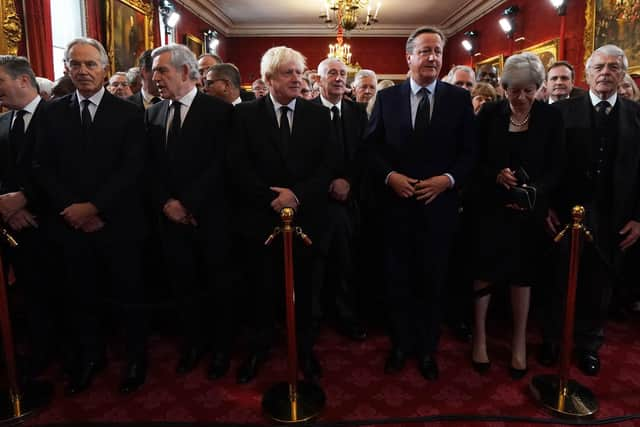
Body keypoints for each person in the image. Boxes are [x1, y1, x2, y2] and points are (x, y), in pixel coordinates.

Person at [33, 37, 148, 395]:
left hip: (117, 223)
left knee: (128, 294)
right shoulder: (51, 112)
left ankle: (135, 358)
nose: (83, 70)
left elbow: (133, 168)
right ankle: (90, 357)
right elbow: (41, 166)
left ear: (104, 67)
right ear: (66, 68)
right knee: (79, 296)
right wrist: (73, 208)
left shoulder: (129, 112)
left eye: (90, 64)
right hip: (69, 224)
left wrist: (95, 207)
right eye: (75, 64)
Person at [366, 26, 475, 381]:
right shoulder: (387, 98)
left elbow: (470, 153)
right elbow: (371, 148)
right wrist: (389, 176)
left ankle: (428, 349)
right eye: (425, 51)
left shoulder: (458, 100)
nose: (432, 58)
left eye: (438, 52)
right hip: (396, 208)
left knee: (433, 280)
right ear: (409, 57)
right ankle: (400, 345)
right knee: (397, 279)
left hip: (439, 208)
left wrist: (448, 180)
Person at [229, 46, 334, 384]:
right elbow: (237, 166)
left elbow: (328, 165)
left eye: (298, 72)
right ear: (269, 78)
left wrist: (297, 195)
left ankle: (304, 349)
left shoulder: (318, 115)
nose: (296, 78)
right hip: (259, 218)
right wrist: (270, 198)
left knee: (305, 290)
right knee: (260, 287)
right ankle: (259, 348)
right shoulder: (244, 115)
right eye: (288, 72)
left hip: (305, 219)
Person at [466, 53, 565, 379]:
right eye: (514, 91)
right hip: (489, 208)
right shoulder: (489, 114)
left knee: (523, 274)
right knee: (484, 269)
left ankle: (519, 341)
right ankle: (479, 337)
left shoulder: (551, 118)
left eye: (529, 90)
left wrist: (533, 190)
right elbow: (472, 159)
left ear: (538, 88)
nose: (521, 97)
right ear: (504, 88)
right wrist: (495, 174)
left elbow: (556, 167)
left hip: (528, 212)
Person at [543, 44, 640, 376]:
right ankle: (553, 340)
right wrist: (546, 207)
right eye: (599, 67)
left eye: (614, 67)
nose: (606, 73)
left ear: (623, 74)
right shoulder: (562, 112)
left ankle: (588, 345)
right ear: (586, 74)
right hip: (566, 213)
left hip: (615, 215)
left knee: (600, 286)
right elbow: (548, 165)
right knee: (559, 279)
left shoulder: (636, 114)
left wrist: (639, 218)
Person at [146, 44, 234, 380]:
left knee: (217, 285)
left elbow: (222, 165)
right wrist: (167, 203)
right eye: (154, 72)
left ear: (185, 72)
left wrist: (190, 204)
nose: (155, 78)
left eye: (162, 71)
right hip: (170, 219)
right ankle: (193, 344)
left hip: (210, 218)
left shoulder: (219, 111)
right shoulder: (153, 113)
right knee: (183, 286)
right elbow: (149, 167)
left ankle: (221, 349)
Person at [0, 56, 56, 378]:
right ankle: (36, 351)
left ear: (23, 80)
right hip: (13, 226)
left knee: (56, 294)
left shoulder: (59, 116)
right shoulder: (2, 122)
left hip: (50, 222)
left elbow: (63, 170)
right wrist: (5, 206)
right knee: (28, 296)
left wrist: (26, 200)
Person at [311, 57, 368, 341]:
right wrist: (328, 184)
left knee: (347, 263)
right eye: (331, 73)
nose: (338, 78)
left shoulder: (358, 112)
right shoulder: (306, 111)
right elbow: (301, 158)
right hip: (316, 203)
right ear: (318, 79)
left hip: (350, 202)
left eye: (343, 73)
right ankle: (313, 319)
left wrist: (349, 182)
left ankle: (346, 316)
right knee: (315, 265)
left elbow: (364, 155)